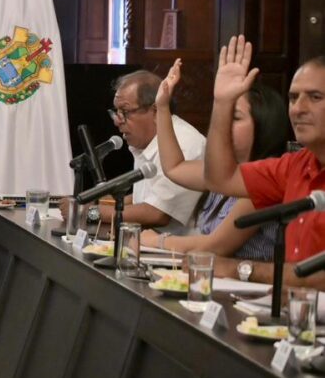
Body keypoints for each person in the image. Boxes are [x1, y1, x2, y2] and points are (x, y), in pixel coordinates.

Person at [203, 36, 325, 287]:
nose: (298, 109)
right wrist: (223, 103)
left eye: (315, 97)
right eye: (293, 98)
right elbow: (220, 179)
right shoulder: (296, 164)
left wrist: (241, 269)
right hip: (292, 307)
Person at [140, 58, 288, 259]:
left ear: (264, 125)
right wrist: (162, 106)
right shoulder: (225, 172)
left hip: (245, 278)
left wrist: (156, 240)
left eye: (235, 117)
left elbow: (216, 245)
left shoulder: (266, 179)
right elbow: (174, 167)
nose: (222, 124)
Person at [62, 70, 205, 233]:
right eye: (116, 112)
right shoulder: (147, 141)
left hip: (172, 247)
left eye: (125, 112)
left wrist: (89, 213)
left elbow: (158, 213)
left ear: (155, 111)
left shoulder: (183, 143)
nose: (117, 121)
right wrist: (108, 201)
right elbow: (148, 197)